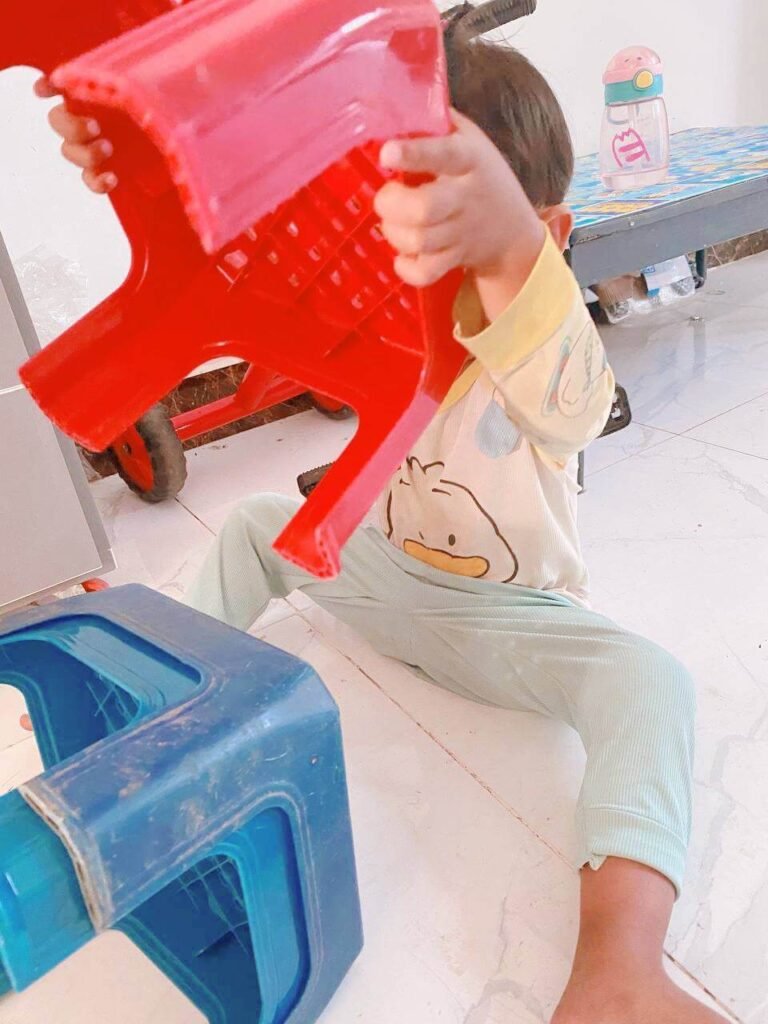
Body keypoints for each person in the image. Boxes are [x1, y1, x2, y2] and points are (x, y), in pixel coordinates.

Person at [39, 15, 721, 1024]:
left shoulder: (544, 343)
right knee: (252, 520)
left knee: (652, 681)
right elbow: (235, 226)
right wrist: (132, 155)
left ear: (546, 236)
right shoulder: (375, 302)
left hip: (511, 618)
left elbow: (577, 404)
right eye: (401, 219)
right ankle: (146, 703)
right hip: (381, 576)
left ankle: (620, 960)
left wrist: (509, 261)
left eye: (462, 233)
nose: (419, 264)